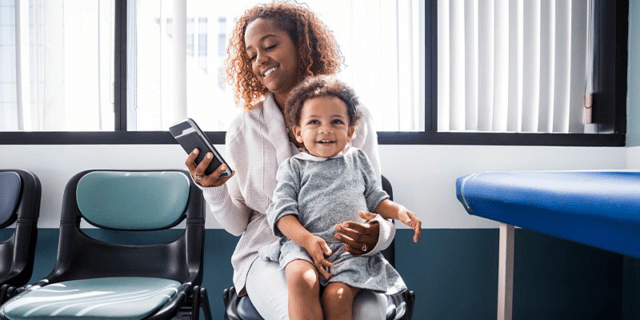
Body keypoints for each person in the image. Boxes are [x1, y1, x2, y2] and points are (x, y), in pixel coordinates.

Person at [184, 2, 396, 319]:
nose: (260, 60)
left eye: (270, 45)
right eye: (252, 55)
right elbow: (237, 224)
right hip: (267, 253)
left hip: (343, 254)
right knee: (292, 312)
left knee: (368, 316)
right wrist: (213, 188)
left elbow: (377, 208)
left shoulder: (354, 116)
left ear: (301, 43)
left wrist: (377, 234)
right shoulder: (244, 128)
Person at [260, 75, 422, 320]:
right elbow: (282, 215)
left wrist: (399, 211)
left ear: (350, 132)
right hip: (304, 246)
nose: (325, 129)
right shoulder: (292, 167)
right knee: (301, 280)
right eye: (314, 122)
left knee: (337, 297)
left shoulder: (357, 160)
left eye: (336, 122)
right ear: (298, 133)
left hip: (350, 252)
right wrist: (307, 240)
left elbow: (376, 199)